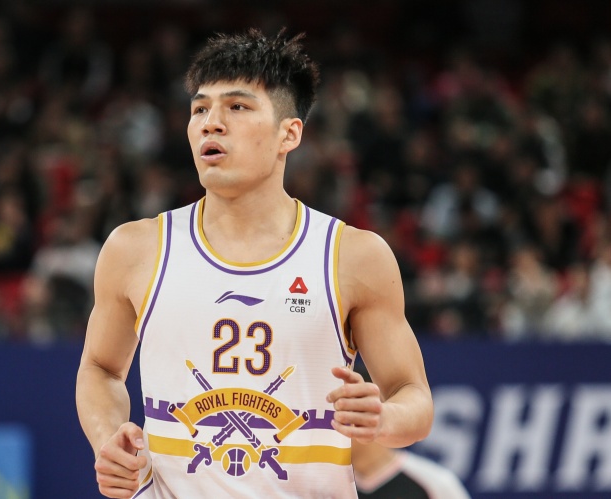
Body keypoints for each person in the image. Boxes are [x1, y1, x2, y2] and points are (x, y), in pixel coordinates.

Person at [76, 28, 433, 499]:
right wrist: (108, 440)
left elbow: (415, 399)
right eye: (200, 109)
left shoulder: (352, 256)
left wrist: (384, 418)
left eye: (237, 107)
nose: (211, 123)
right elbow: (100, 368)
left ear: (289, 133)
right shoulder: (135, 249)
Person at [351, 362, 470, 499]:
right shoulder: (332, 483)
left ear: (377, 410)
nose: (335, 423)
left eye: (346, 410)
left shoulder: (435, 483)